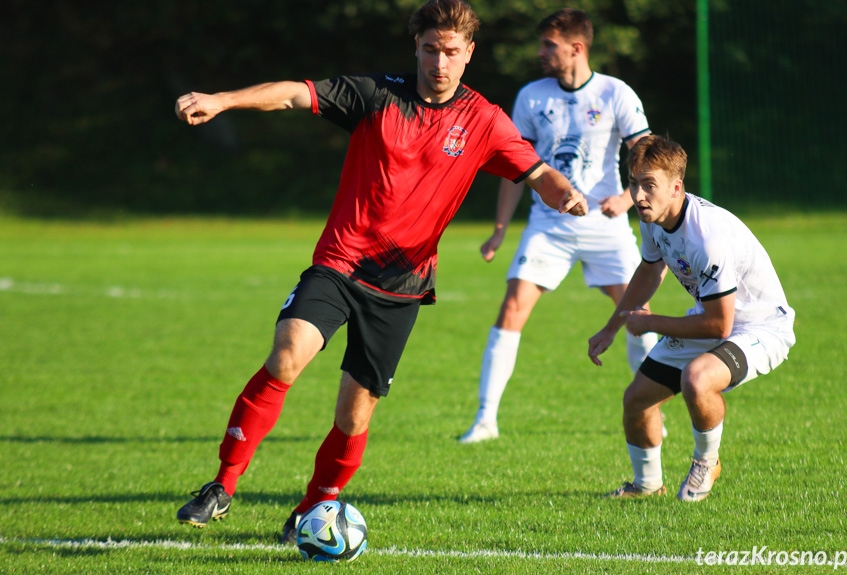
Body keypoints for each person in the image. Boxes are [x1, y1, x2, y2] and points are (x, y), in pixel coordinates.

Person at [172, 0, 589, 543]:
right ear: (416, 48)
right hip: (340, 263)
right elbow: (296, 94)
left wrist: (567, 195)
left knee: (355, 414)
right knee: (285, 355)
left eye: (452, 52)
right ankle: (222, 485)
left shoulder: (484, 120)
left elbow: (535, 172)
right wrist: (222, 100)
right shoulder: (377, 95)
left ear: (469, 56)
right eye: (431, 49)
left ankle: (315, 508)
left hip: (401, 285)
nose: (440, 62)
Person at [459, 8, 660, 444]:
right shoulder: (531, 96)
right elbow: (517, 167)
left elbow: (648, 155)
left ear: (576, 48)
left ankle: (652, 410)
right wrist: (498, 230)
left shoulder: (614, 93)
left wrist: (627, 197)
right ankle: (485, 420)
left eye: (548, 45)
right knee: (512, 307)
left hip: (606, 227)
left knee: (636, 316)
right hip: (548, 225)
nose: (540, 52)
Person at [589, 135, 795, 501]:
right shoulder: (653, 217)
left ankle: (707, 461)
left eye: (648, 185)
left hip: (763, 327)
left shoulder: (706, 237)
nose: (637, 196)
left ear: (676, 187)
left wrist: (651, 322)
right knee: (637, 399)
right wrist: (611, 327)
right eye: (633, 183)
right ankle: (646, 486)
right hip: (716, 316)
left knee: (697, 379)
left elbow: (720, 327)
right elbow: (651, 272)